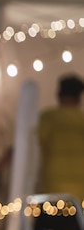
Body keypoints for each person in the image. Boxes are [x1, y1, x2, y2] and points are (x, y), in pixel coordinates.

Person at [37, 74, 84, 202]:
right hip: (80, 195)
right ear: (79, 97)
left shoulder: (48, 118)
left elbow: (28, 146)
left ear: (59, 94)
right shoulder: (81, 120)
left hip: (52, 191)